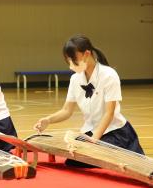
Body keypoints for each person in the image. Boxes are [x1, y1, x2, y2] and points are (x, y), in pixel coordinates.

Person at [33, 35, 144, 167]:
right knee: (73, 162)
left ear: (87, 54)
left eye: (73, 61)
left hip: (115, 133)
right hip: (90, 132)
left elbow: (109, 113)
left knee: (90, 161)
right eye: (68, 61)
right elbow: (66, 110)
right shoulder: (75, 79)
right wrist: (48, 120)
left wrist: (94, 141)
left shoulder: (109, 75)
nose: (70, 66)